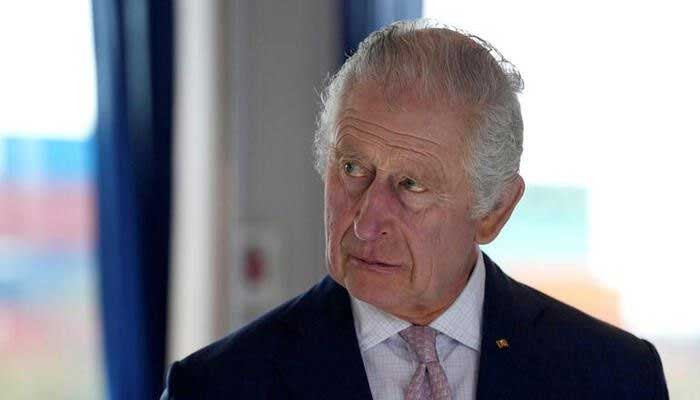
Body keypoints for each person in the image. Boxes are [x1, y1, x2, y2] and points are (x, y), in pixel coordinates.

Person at [161, 20, 669, 399]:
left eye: (411, 185)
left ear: (494, 210)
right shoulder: (215, 386)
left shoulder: (615, 377)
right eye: (353, 168)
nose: (365, 222)